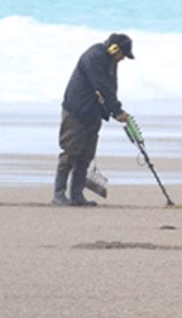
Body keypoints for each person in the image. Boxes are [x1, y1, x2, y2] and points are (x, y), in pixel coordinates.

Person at [53, 33, 133, 206]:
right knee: (70, 153)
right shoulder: (94, 57)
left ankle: (77, 195)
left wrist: (114, 110)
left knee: (86, 155)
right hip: (76, 111)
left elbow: (111, 87)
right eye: (123, 54)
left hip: (93, 111)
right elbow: (102, 86)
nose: (123, 59)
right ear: (114, 48)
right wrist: (117, 111)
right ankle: (59, 194)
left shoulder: (111, 60)